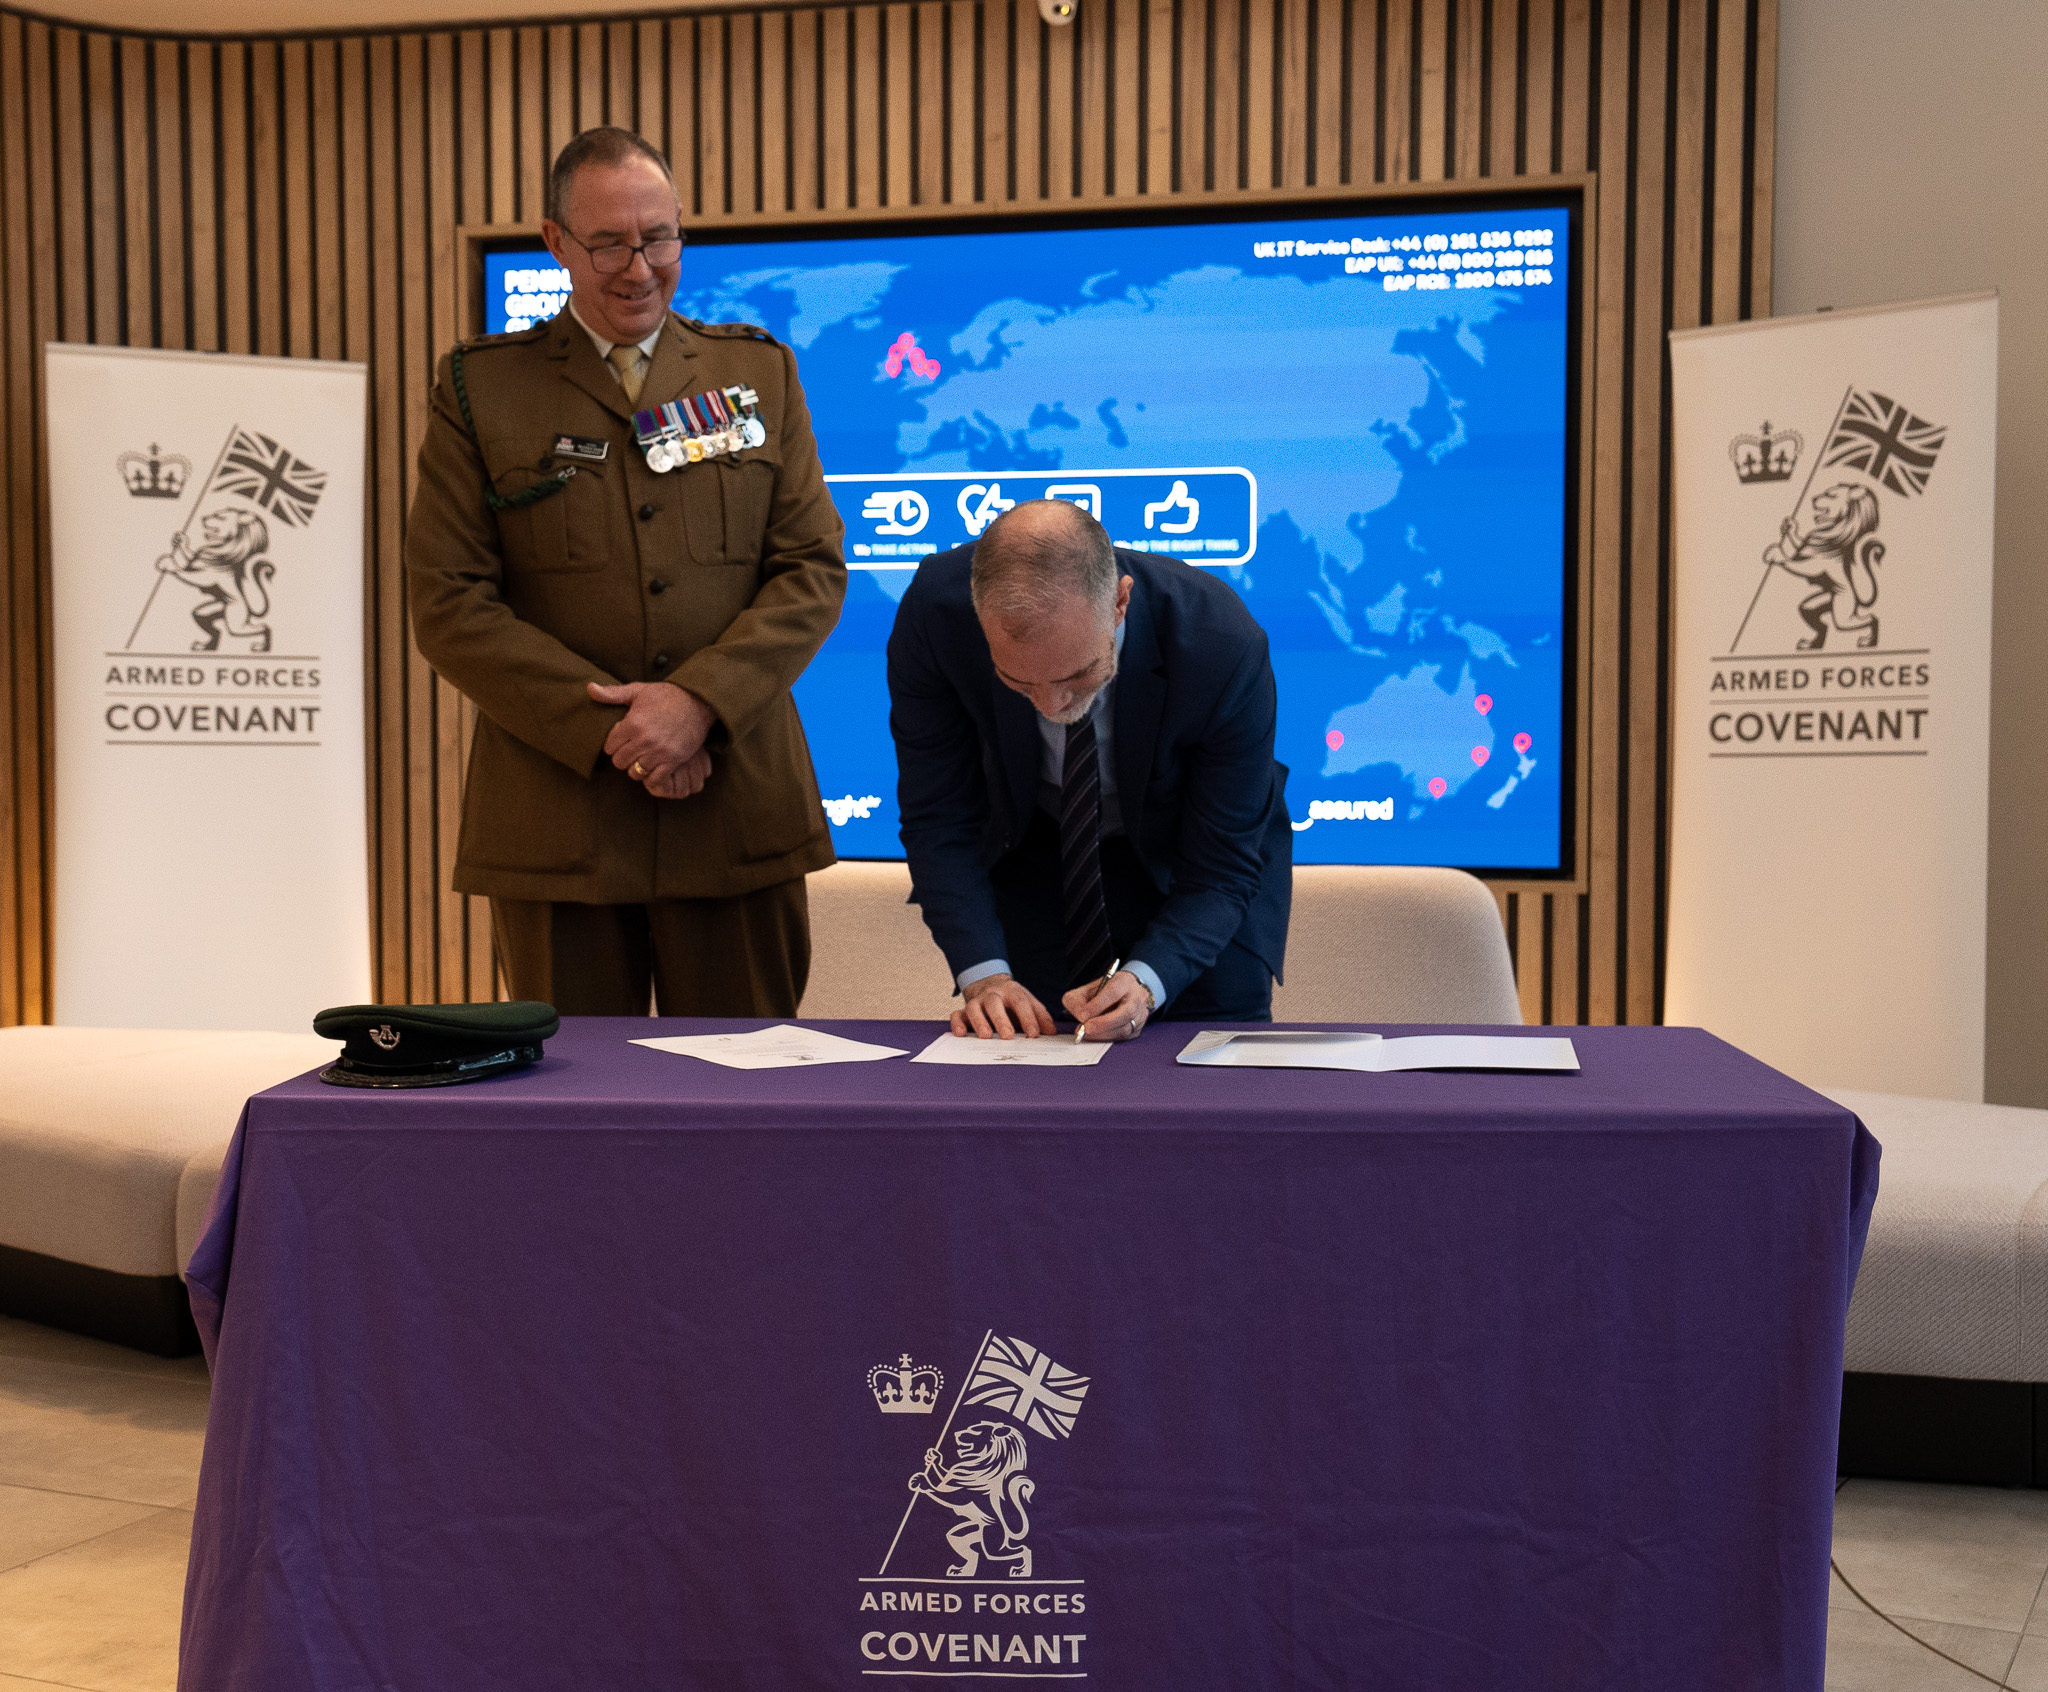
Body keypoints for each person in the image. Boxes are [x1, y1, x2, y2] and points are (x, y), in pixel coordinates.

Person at [406, 126, 846, 1016]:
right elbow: (448, 603)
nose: (639, 268)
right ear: (556, 242)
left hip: (736, 812)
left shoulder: (757, 372)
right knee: (575, 1093)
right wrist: (627, 731)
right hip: (558, 822)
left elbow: (811, 569)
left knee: (747, 1084)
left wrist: (698, 706)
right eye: (608, 243)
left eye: (658, 238)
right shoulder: (481, 389)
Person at [887, 499, 1291, 1042]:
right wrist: (984, 976)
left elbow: (1223, 865)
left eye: (1077, 676)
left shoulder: (1219, 640)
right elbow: (938, 815)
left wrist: (1147, 981)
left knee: (1207, 1067)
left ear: (1121, 601)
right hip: (1037, 857)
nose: (1052, 705)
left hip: (1193, 866)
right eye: (1019, 682)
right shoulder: (936, 613)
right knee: (1030, 1051)